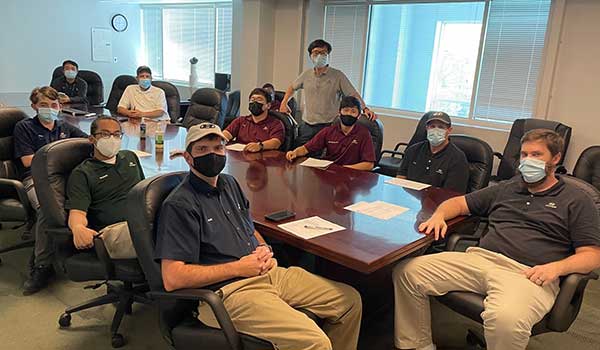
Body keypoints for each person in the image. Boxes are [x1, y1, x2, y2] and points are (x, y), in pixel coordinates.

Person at [154, 123, 362, 350]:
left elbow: (249, 229)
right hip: (232, 292)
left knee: (349, 301)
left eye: (217, 148)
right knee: (316, 342)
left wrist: (265, 250)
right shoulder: (180, 204)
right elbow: (172, 278)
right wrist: (238, 268)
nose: (212, 155)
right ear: (188, 157)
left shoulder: (229, 183)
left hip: (267, 272)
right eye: (203, 149)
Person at [392, 129, 600, 350]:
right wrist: (439, 216)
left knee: (506, 319)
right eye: (524, 155)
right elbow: (458, 203)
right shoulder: (508, 187)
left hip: (528, 274)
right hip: (481, 260)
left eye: (537, 155)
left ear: (556, 158)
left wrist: (557, 268)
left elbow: (592, 256)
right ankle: (418, 345)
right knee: (407, 273)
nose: (528, 161)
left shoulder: (576, 199)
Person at [13, 86, 88, 295]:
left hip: (64, 179)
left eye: (53, 105)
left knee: (86, 197)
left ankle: (79, 251)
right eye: (43, 105)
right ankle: (42, 265)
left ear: (60, 106)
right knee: (48, 208)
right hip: (35, 180)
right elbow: (28, 161)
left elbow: (87, 144)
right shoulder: (24, 127)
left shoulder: (64, 127)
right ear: (34, 106)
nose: (49, 109)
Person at [65, 115, 144, 254]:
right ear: (92, 139)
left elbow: (142, 191)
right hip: (114, 232)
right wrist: (78, 227)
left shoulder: (130, 157)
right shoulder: (83, 173)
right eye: (105, 134)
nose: (112, 139)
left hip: (142, 221)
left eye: (116, 134)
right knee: (164, 236)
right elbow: (77, 211)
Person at [280, 39, 376, 146]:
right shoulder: (306, 75)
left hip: (329, 126)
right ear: (310, 55)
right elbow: (292, 88)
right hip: (307, 126)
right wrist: (284, 103)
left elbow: (352, 94)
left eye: (323, 53)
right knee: (298, 154)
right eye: (316, 52)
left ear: (328, 55)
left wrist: (365, 109)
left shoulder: (337, 75)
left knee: (325, 159)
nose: (320, 55)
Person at [286, 96, 375, 171]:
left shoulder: (364, 134)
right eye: (346, 110)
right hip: (330, 173)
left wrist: (343, 168)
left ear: (359, 116)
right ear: (339, 112)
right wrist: (294, 153)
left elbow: (369, 164)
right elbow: (306, 148)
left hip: (352, 176)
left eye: (353, 111)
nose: (349, 114)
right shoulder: (329, 131)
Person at [397, 112, 469, 193]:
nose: (435, 130)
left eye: (441, 127)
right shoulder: (413, 150)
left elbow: (452, 195)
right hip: (409, 198)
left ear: (449, 130)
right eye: (432, 126)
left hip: (438, 203)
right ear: (427, 128)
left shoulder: (458, 158)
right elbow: (400, 178)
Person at [223, 87, 285, 152]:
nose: (255, 102)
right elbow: (227, 133)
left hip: (263, 159)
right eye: (252, 100)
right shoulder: (241, 120)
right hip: (241, 157)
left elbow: (276, 142)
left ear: (268, 105)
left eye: (259, 100)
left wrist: (260, 146)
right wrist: (221, 138)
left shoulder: (276, 123)